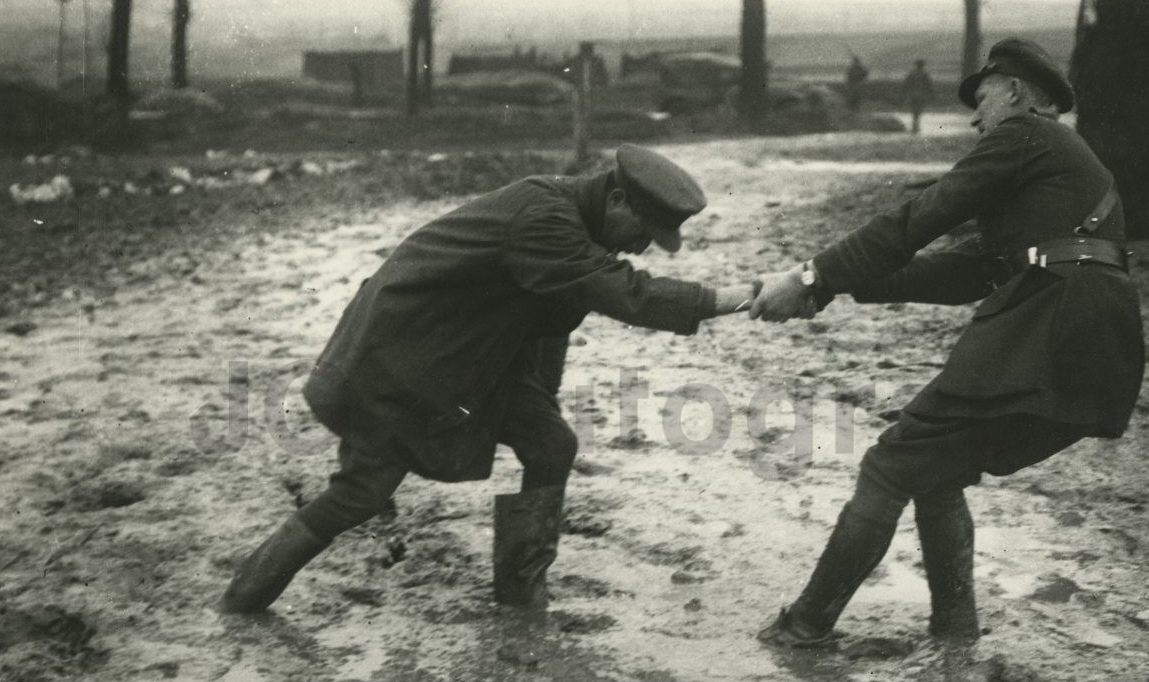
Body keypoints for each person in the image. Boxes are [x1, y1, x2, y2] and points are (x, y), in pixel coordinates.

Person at [222, 145, 753, 615]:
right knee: (361, 493)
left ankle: (522, 598)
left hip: (470, 356)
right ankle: (243, 599)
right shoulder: (544, 217)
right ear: (617, 200)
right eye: (644, 232)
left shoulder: (574, 224)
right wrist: (745, 297)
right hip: (406, 357)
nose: (643, 248)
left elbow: (549, 328)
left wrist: (540, 403)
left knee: (550, 444)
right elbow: (626, 294)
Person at [748, 38, 1145, 648]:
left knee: (890, 464)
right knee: (936, 469)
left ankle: (805, 626)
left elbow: (917, 219)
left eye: (982, 97)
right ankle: (955, 632)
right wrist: (831, 288)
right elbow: (967, 271)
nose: (974, 116)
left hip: (1049, 325)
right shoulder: (1054, 162)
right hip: (1093, 333)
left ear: (1014, 92)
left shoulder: (1024, 137)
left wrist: (810, 275)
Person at [903, 58, 934, 133]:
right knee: (919, 108)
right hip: (921, 94)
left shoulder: (912, 73)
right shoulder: (925, 74)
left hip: (912, 94)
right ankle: (916, 123)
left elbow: (906, 84)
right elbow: (929, 85)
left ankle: (914, 123)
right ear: (922, 66)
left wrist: (905, 92)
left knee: (913, 108)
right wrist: (931, 93)